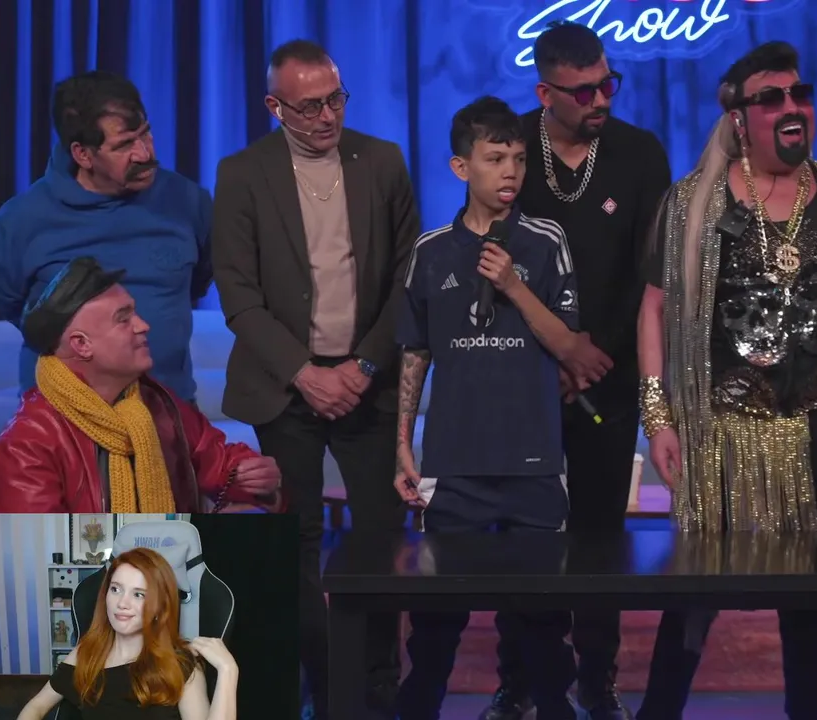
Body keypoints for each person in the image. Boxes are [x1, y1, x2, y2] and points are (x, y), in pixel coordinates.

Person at [635, 41, 817, 720]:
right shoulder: (695, 201)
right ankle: (659, 710)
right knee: (694, 588)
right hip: (718, 430)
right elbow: (654, 308)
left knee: (807, 590)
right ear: (740, 118)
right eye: (771, 98)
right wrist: (658, 417)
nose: (791, 107)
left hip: (813, 425)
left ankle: (808, 710)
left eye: (799, 94)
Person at [211, 39, 417, 717]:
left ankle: (379, 687)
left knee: (380, 536)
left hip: (367, 383)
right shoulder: (242, 173)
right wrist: (305, 374)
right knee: (294, 544)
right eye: (309, 107)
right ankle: (324, 686)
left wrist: (362, 366)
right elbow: (238, 295)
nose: (327, 116)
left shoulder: (382, 161)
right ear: (275, 106)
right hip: (285, 389)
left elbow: (407, 278)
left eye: (335, 100)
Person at [392, 96, 608, 720]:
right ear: (461, 168)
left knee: (543, 624)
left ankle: (552, 708)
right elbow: (415, 353)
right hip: (454, 467)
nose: (510, 171)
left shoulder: (546, 241)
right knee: (435, 628)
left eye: (517, 158)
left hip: (533, 465)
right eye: (494, 159)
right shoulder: (432, 250)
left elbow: (569, 345)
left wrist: (513, 284)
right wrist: (402, 443)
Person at [487, 22, 672, 720]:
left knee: (598, 540)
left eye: (606, 85)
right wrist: (556, 353)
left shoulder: (638, 152)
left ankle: (597, 680)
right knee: (521, 540)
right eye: (583, 91)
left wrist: (592, 355)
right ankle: (520, 682)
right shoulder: (509, 148)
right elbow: (487, 257)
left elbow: (651, 273)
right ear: (545, 93)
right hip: (523, 377)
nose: (600, 100)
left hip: (609, 375)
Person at [0, 257, 282, 514]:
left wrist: (254, 478)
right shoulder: (25, 447)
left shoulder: (159, 403)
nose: (143, 325)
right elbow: (37, 557)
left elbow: (219, 462)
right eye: (123, 319)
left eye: (135, 312)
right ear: (81, 345)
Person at [0, 70, 213, 405]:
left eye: (145, 134)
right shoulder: (20, 221)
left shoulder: (188, 201)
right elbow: (13, 307)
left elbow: (198, 282)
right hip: (63, 420)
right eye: (124, 145)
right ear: (82, 154)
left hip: (169, 412)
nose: (144, 154)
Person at [14, 547, 240, 719]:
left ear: (160, 607)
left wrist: (228, 671)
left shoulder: (181, 666)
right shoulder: (87, 652)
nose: (122, 603)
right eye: (115, 589)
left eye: (138, 594)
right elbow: (37, 706)